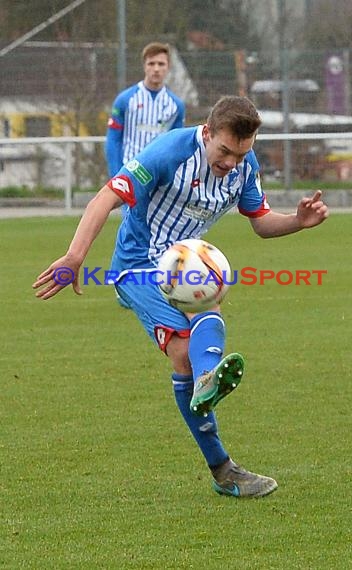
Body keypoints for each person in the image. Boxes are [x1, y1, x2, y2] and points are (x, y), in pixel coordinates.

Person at [33, 95, 328, 499]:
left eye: (241, 153)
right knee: (187, 344)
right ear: (207, 133)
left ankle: (213, 416)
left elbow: (260, 223)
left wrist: (299, 221)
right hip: (136, 265)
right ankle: (222, 458)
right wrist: (75, 256)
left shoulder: (245, 167)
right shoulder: (169, 152)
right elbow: (105, 198)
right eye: (224, 151)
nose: (231, 162)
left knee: (199, 321)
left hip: (184, 261)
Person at [105, 41, 185, 216]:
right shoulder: (125, 100)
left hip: (160, 177)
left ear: (168, 67)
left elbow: (178, 145)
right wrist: (116, 174)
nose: (156, 69)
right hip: (130, 174)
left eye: (161, 64)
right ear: (144, 66)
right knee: (133, 227)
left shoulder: (176, 105)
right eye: (151, 63)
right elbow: (113, 139)